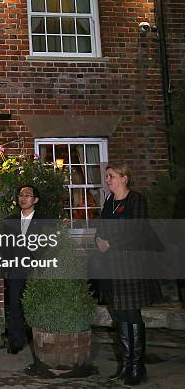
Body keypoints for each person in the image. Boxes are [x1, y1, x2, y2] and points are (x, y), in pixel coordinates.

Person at [95, 164, 161, 386]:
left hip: (131, 264)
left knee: (132, 315)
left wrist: (110, 243)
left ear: (124, 178)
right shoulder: (109, 202)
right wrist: (98, 241)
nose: (107, 180)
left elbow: (138, 231)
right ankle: (124, 365)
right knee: (120, 315)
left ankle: (137, 368)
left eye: (111, 176)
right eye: (106, 177)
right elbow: (101, 228)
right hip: (111, 266)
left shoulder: (136, 200)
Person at [2, 184, 45, 355]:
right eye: (21, 195)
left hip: (36, 270)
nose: (23, 198)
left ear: (35, 200)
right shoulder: (9, 221)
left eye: (27, 195)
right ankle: (16, 342)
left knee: (37, 306)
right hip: (15, 270)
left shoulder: (43, 221)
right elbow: (4, 246)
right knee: (15, 306)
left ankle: (40, 340)